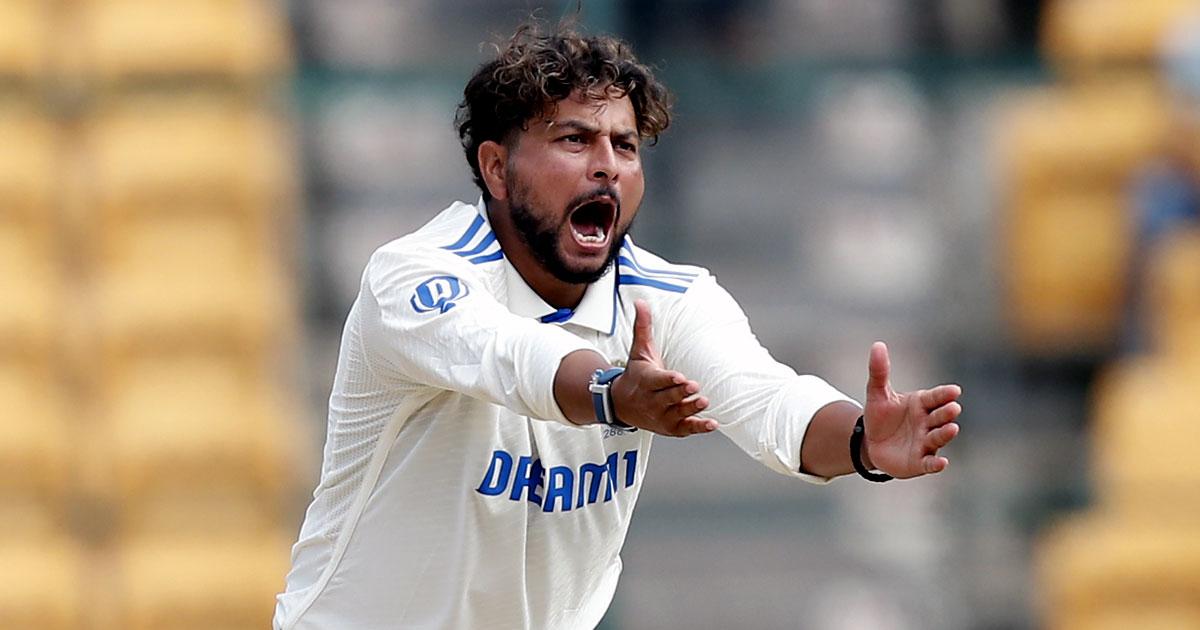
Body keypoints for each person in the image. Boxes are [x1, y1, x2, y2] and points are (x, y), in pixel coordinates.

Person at [274, 22, 963, 630]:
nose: (606, 164)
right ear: (497, 169)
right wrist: (610, 394)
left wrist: (864, 442)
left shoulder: (671, 298)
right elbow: (509, 355)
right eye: (574, 139)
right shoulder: (413, 278)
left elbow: (769, 402)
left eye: (625, 146)